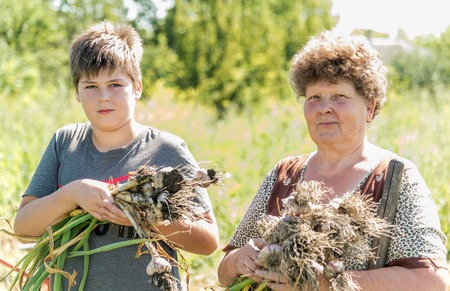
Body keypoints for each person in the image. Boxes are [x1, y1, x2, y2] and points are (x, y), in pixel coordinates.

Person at [217, 30, 449, 290]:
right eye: (314, 97)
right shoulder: (285, 173)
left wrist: (326, 283)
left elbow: (432, 282)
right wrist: (239, 260)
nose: (324, 108)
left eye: (339, 97)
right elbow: (224, 272)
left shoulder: (396, 178)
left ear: (370, 108)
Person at [13, 21, 219, 290]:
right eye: (91, 87)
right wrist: (73, 194)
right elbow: (24, 227)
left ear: (137, 88)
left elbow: (208, 241)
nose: (103, 97)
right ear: (76, 92)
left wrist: (146, 215)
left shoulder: (166, 149)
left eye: (115, 84)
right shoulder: (65, 144)